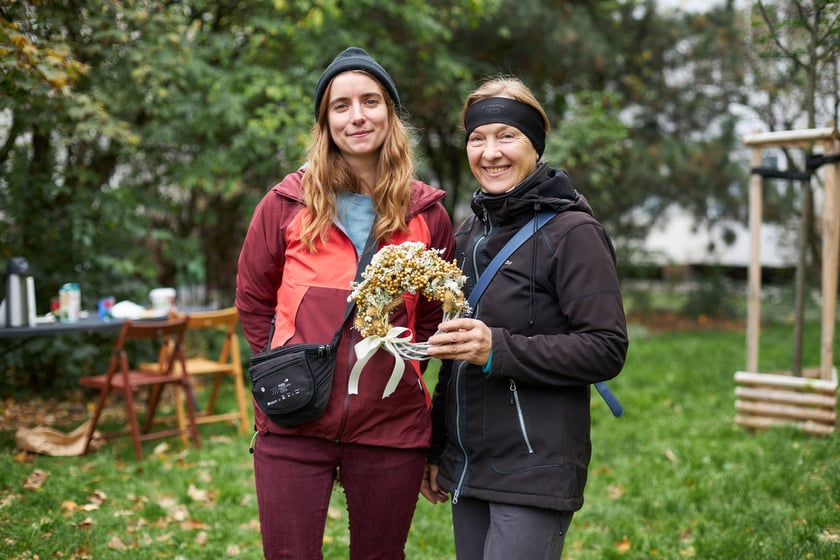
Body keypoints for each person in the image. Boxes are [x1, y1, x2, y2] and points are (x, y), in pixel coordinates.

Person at [235, 47, 455, 559]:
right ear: (326, 122)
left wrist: (399, 373)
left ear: (390, 114)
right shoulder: (286, 203)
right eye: (341, 105)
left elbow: (431, 318)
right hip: (293, 418)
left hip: (390, 426)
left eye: (370, 101)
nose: (357, 116)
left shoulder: (427, 214)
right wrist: (283, 363)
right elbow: (253, 298)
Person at [420, 76, 629, 559]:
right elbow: (455, 350)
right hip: (470, 465)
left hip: (535, 468)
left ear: (534, 145)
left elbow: (606, 347)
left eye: (507, 136)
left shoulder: (573, 232)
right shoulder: (468, 233)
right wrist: (438, 449)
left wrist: (498, 348)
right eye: (477, 138)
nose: (490, 152)